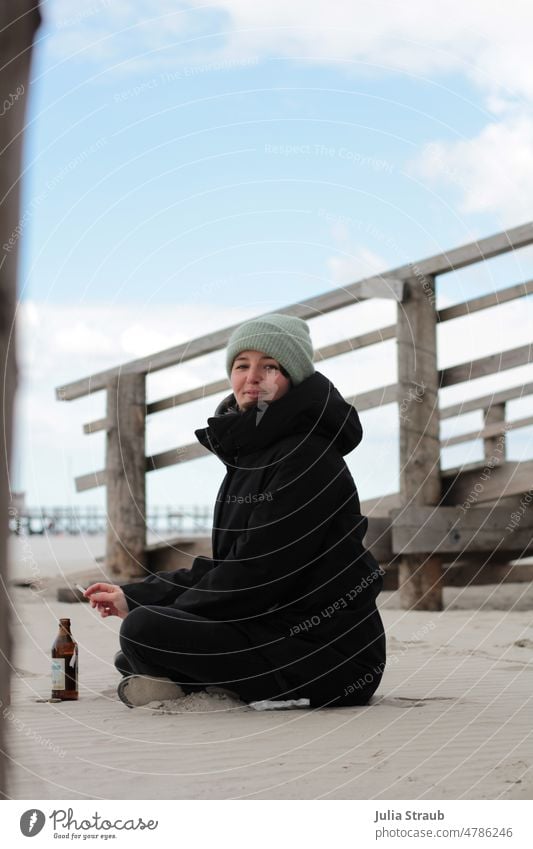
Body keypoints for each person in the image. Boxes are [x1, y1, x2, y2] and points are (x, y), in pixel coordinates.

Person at [85, 313, 386, 709]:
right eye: (242, 365)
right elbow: (229, 564)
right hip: (272, 627)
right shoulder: (252, 456)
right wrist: (137, 595)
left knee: (146, 633)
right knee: (138, 646)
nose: (253, 377)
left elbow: (257, 573)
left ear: (292, 377)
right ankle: (197, 681)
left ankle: (195, 680)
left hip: (329, 654)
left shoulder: (307, 456)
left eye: (270, 367)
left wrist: (154, 612)